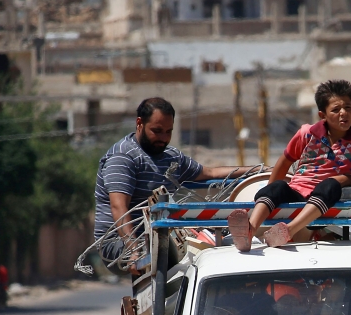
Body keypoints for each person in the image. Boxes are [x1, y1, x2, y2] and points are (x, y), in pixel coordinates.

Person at [95, 97, 249, 274]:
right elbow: (118, 207)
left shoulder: (171, 156)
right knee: (175, 254)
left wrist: (260, 170)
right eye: (157, 131)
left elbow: (210, 173)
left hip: (160, 234)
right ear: (139, 123)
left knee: (218, 246)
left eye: (168, 132)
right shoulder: (123, 157)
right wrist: (134, 250)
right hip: (119, 242)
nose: (163, 138)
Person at [227, 79, 351, 251]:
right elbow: (283, 164)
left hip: (326, 200)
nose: (344, 113)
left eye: (348, 107)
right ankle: (249, 230)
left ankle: (288, 230)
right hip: (297, 193)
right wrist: (266, 194)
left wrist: (341, 179)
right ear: (322, 115)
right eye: (336, 109)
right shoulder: (306, 134)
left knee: (330, 185)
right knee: (278, 187)